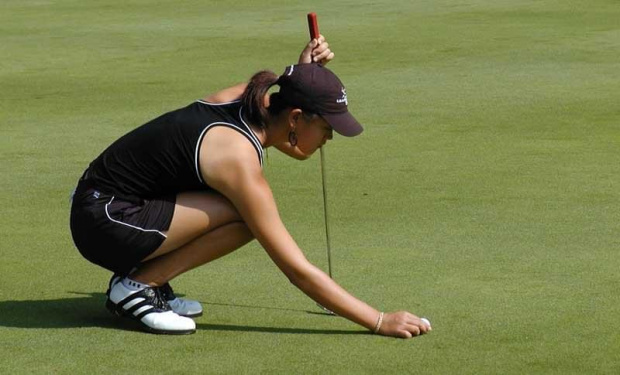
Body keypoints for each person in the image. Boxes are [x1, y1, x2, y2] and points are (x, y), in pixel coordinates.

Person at [70, 35, 431, 338]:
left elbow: (292, 125)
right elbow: (296, 268)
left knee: (238, 211)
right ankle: (136, 287)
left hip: (111, 203)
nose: (330, 137)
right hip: (105, 221)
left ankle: (144, 279)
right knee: (244, 218)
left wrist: (303, 72)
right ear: (295, 117)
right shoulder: (236, 159)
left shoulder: (255, 98)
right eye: (327, 127)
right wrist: (378, 319)